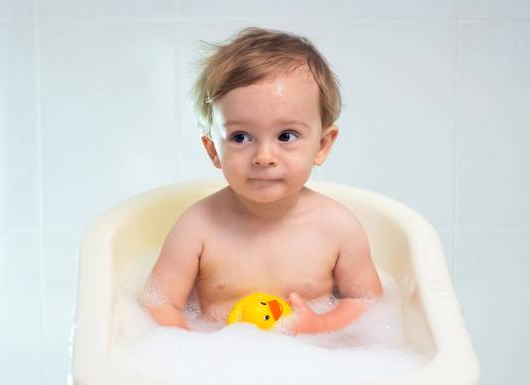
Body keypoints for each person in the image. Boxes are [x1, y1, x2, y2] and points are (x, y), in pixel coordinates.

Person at [141, 27, 382, 334]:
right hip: (218, 356)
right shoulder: (196, 228)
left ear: (322, 145)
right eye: (241, 137)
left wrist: (322, 323)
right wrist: (191, 348)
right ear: (213, 150)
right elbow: (159, 303)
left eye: (286, 136)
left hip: (315, 356)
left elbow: (366, 301)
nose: (264, 157)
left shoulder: (338, 227)